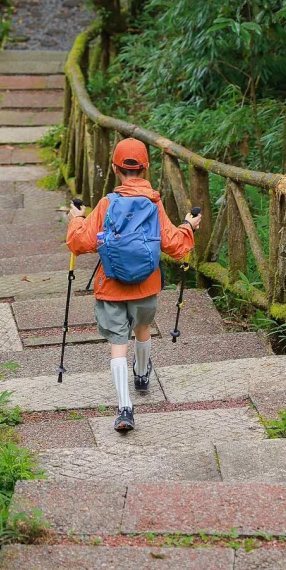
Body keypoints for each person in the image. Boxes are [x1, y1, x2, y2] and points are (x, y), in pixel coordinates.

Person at [67, 137, 195, 433]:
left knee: (117, 345)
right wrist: (189, 226)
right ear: (145, 168)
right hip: (146, 286)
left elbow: (78, 243)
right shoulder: (154, 204)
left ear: (115, 168)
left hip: (111, 286)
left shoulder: (106, 204)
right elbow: (176, 246)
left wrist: (77, 219)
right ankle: (141, 374)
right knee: (143, 329)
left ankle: (125, 409)